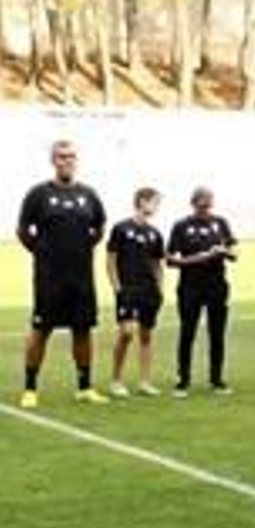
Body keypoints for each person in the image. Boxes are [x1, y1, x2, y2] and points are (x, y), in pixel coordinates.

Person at [17, 140, 109, 408]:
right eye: (61, 157)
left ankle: (84, 387)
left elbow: (100, 227)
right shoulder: (38, 194)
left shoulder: (88, 194)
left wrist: (81, 249)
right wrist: (43, 253)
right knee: (41, 328)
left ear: (76, 160)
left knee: (83, 330)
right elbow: (23, 231)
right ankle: (30, 388)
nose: (66, 161)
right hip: (49, 277)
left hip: (81, 276)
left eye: (70, 156)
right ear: (53, 160)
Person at [167, 187, 237, 397]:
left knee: (217, 333)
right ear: (194, 203)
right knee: (187, 332)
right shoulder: (182, 226)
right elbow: (170, 259)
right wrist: (198, 259)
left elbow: (234, 252)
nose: (206, 206)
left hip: (217, 285)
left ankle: (217, 379)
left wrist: (224, 252)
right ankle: (183, 379)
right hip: (190, 286)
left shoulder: (220, 223)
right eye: (202, 202)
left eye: (209, 202)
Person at [107, 188, 165, 399]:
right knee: (127, 333)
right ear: (141, 202)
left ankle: (145, 382)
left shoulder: (155, 233)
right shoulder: (121, 228)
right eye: (154, 202)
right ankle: (116, 381)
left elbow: (157, 264)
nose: (156, 207)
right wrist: (116, 287)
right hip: (128, 290)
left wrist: (160, 288)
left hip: (149, 291)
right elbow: (111, 259)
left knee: (146, 335)